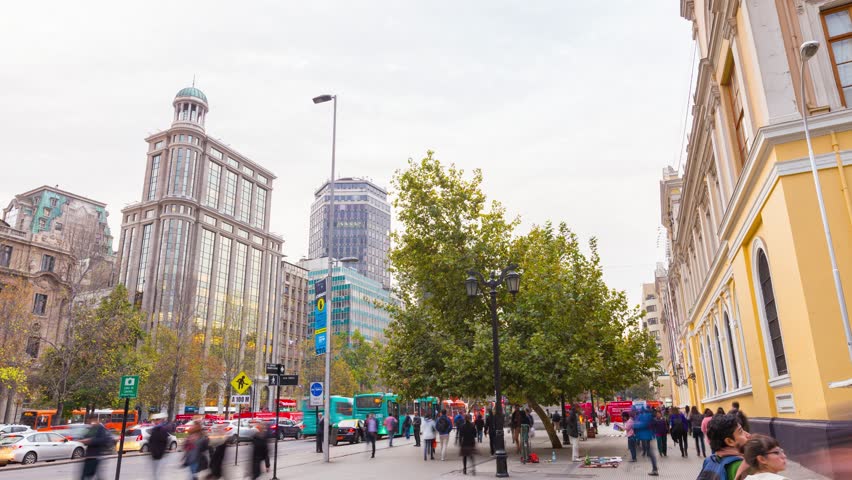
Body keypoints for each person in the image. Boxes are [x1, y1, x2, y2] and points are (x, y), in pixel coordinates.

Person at [698, 413, 750, 480]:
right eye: (741, 431)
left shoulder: (710, 461)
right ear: (730, 441)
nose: (748, 435)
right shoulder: (742, 467)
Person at [80, 415, 112, 480]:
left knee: (89, 476)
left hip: (96, 456)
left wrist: (90, 441)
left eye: (89, 421)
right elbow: (85, 436)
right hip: (90, 456)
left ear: (94, 420)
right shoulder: (92, 428)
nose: (89, 422)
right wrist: (84, 440)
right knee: (87, 476)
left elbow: (104, 440)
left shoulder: (101, 428)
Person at [634, 407, 659, 476]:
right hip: (649, 436)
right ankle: (655, 468)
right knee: (650, 453)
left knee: (650, 453)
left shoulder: (645, 416)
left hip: (646, 437)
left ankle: (655, 469)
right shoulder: (648, 416)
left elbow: (643, 425)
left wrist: (635, 425)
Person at [148, 413, 170, 478]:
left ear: (161, 421)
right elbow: (151, 441)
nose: (156, 421)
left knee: (157, 473)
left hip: (159, 454)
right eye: (155, 420)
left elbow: (165, 442)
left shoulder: (163, 429)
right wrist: (151, 450)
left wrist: (161, 452)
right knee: (155, 472)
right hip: (154, 454)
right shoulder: (154, 429)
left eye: (157, 420)